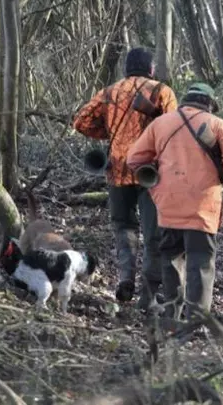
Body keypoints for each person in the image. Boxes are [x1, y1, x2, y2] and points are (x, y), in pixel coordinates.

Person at [127, 83, 223, 320]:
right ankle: (197, 317)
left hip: (168, 203)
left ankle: (172, 312)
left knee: (170, 259)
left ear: (185, 100)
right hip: (203, 205)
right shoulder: (219, 125)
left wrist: (159, 181)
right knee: (200, 262)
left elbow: (134, 158)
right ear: (210, 104)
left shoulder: (159, 124)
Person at [73, 47, 178, 308]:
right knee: (154, 234)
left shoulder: (110, 92)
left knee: (124, 227)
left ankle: (125, 279)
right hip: (151, 173)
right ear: (151, 69)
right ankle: (149, 294)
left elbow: (81, 122)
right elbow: (174, 130)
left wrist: (110, 134)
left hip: (118, 170)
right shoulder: (161, 92)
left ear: (126, 68)